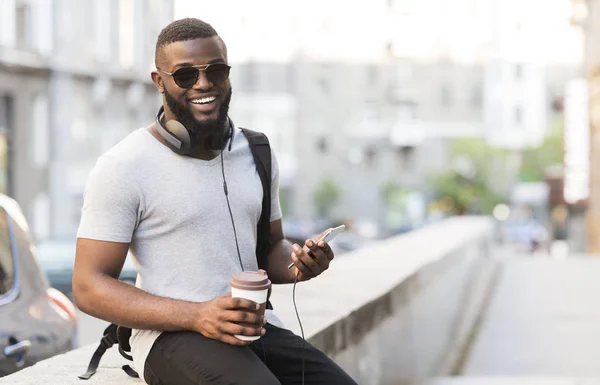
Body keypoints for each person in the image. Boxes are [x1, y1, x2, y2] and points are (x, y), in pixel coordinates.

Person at [72, 18, 358, 385]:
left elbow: (271, 251)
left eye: (216, 71)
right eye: (185, 75)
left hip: (256, 328)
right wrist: (197, 315)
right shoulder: (124, 166)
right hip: (171, 337)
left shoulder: (257, 151)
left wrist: (300, 264)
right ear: (159, 82)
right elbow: (88, 286)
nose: (203, 84)